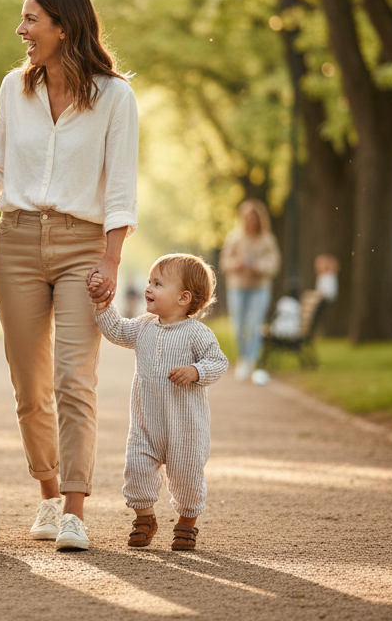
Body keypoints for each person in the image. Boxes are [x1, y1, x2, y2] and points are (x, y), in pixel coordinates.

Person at [0, 0, 139, 552]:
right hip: (16, 243)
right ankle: (47, 494)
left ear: (64, 26)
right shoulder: (15, 88)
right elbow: (0, 172)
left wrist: (111, 258)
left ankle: (76, 511)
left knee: (73, 377)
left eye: (31, 19)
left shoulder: (115, 97)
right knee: (30, 384)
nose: (21, 31)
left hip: (84, 244)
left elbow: (122, 189)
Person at [92, 253, 228, 551]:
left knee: (188, 478)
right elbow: (116, 330)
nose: (148, 289)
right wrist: (103, 306)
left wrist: (196, 371)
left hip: (185, 429)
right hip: (146, 424)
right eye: (149, 282)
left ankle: (186, 524)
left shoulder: (197, 334)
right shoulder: (143, 326)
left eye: (158, 283)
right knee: (136, 469)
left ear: (183, 297)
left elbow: (218, 362)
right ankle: (144, 518)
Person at [219, 199, 280, 383]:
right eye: (246, 218)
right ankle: (243, 357)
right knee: (239, 325)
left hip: (259, 288)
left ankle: (251, 361)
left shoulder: (267, 239)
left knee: (254, 325)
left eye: (253, 218)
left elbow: (274, 263)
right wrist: (236, 264)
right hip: (237, 288)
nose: (249, 222)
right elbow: (224, 262)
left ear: (258, 219)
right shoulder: (234, 238)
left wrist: (258, 267)